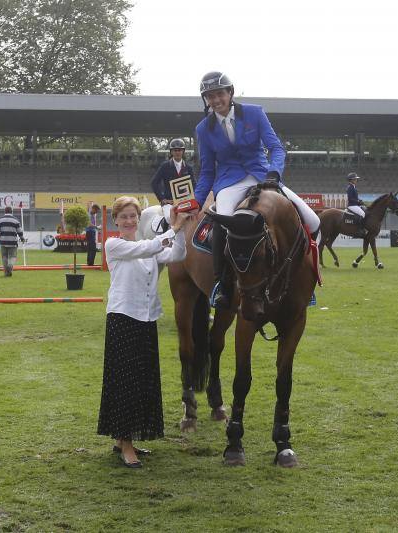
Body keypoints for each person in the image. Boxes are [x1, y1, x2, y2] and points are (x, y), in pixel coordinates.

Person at [194, 71, 320, 308]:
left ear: (230, 93)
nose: (216, 100)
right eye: (210, 96)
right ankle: (221, 283)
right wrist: (195, 200)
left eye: (219, 93)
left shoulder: (254, 113)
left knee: (313, 221)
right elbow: (207, 171)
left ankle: (304, 280)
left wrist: (274, 174)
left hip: (264, 177)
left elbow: (276, 148)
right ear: (206, 100)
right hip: (229, 183)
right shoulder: (203, 129)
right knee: (222, 223)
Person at [97, 196, 191, 468]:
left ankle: (123, 439)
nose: (129, 220)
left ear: (139, 220)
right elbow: (151, 246)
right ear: (115, 220)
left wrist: (182, 230)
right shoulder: (114, 245)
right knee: (125, 383)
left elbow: (177, 255)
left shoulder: (146, 247)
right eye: (124, 216)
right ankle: (126, 445)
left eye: (133, 216)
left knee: (140, 382)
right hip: (123, 318)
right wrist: (173, 228)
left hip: (146, 318)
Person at [151, 138, 195, 230]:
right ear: (171, 152)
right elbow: (154, 182)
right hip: (169, 202)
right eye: (175, 150)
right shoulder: (165, 166)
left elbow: (194, 185)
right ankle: (166, 237)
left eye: (180, 150)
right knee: (168, 217)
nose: (177, 152)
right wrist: (162, 199)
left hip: (185, 201)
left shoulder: (188, 167)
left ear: (183, 151)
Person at [0, 206, 24, 277]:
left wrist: (2, 236)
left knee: (4, 257)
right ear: (11, 211)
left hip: (3, 242)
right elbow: (20, 231)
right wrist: (22, 238)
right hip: (13, 242)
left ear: (5, 211)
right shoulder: (16, 220)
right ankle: (10, 266)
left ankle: (6, 273)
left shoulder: (0, 220)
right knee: (12, 256)